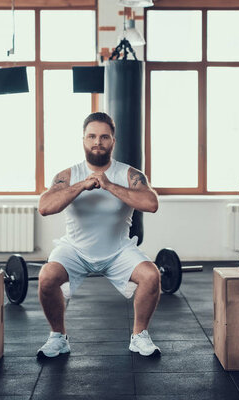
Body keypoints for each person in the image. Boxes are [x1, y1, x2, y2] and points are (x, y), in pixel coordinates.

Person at [36, 112, 161, 358]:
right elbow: (45, 207)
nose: (97, 142)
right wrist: (82, 185)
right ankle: (58, 337)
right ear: (83, 140)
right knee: (47, 276)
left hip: (118, 250)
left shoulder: (129, 174)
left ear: (113, 141)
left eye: (104, 137)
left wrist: (109, 185)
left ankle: (139, 336)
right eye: (92, 136)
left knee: (151, 275)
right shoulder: (68, 175)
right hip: (75, 249)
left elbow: (151, 203)